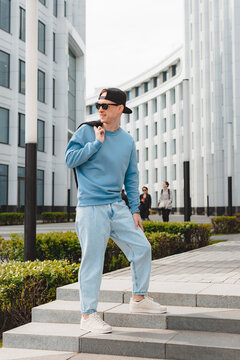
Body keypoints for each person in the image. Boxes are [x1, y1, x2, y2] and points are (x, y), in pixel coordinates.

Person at [65, 88, 167, 334]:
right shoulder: (86, 131)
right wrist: (95, 144)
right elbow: (70, 159)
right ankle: (88, 315)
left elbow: (131, 177)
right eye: (99, 104)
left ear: (120, 109)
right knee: (92, 260)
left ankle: (139, 299)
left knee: (142, 247)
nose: (100, 109)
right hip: (91, 207)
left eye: (106, 105)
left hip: (117, 206)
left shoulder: (127, 141)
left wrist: (135, 210)